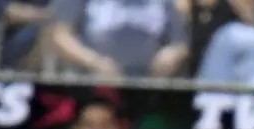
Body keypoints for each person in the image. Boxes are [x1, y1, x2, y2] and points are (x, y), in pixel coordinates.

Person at [49, 0, 190, 78]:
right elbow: (60, 35)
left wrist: (172, 54)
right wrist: (94, 62)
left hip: (149, 81)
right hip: (92, 80)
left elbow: (181, 42)